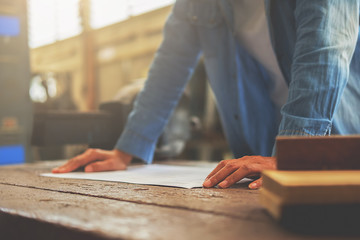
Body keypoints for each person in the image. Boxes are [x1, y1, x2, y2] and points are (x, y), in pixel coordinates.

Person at [53, 0, 360, 189]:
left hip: (337, 146)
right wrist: (127, 148)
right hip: (262, 154)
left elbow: (324, 52)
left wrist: (294, 154)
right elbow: (170, 64)